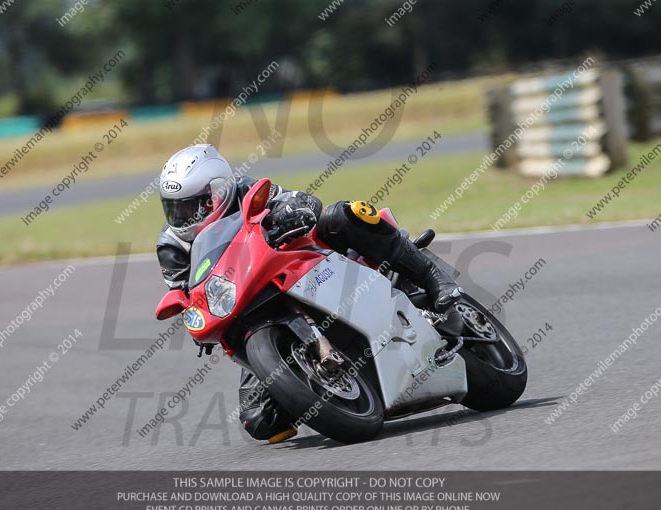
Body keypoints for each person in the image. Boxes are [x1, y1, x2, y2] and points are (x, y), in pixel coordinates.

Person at [157, 144, 462, 443]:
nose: (182, 216)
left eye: (192, 205)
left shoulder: (250, 191)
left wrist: (294, 212)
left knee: (345, 214)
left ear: (218, 192)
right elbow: (185, 290)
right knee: (259, 420)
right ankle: (328, 389)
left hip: (299, 264)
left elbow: (302, 201)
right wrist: (189, 308)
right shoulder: (170, 246)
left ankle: (432, 278)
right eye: (175, 207)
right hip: (247, 306)